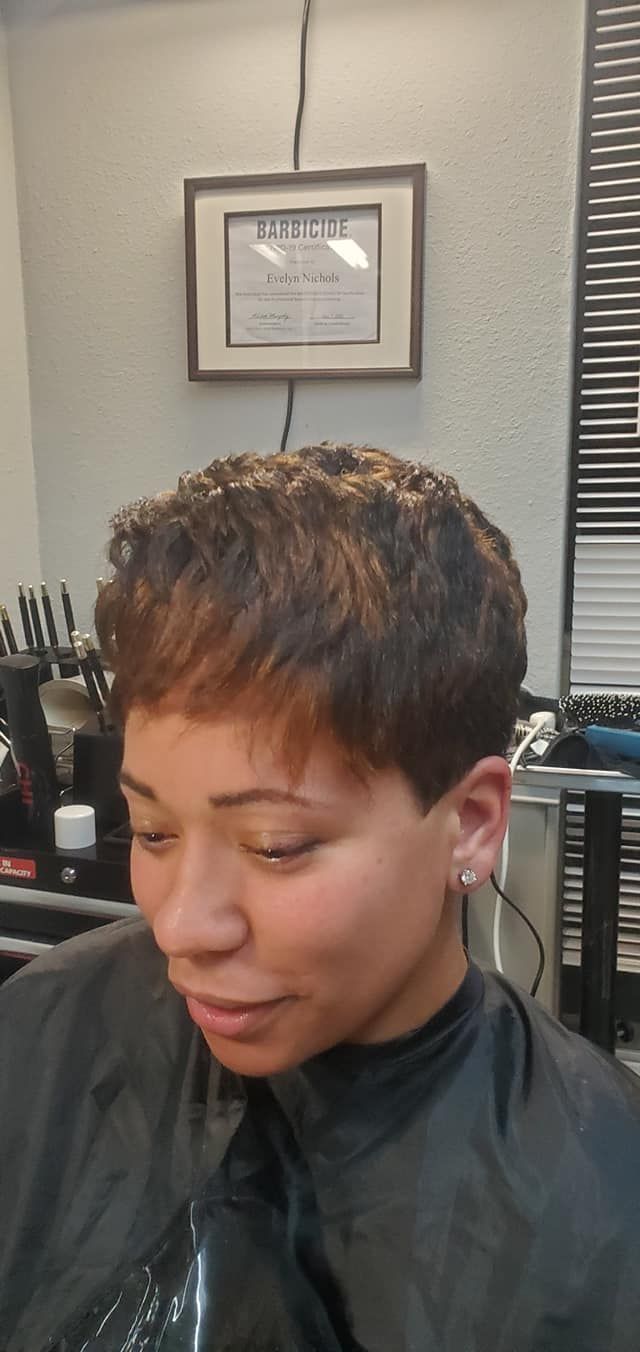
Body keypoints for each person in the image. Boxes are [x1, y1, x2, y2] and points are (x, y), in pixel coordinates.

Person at [1, 443, 639, 1352]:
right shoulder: (43, 1030)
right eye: (151, 830)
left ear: (470, 825)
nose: (178, 927)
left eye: (275, 846)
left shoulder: (607, 1197)